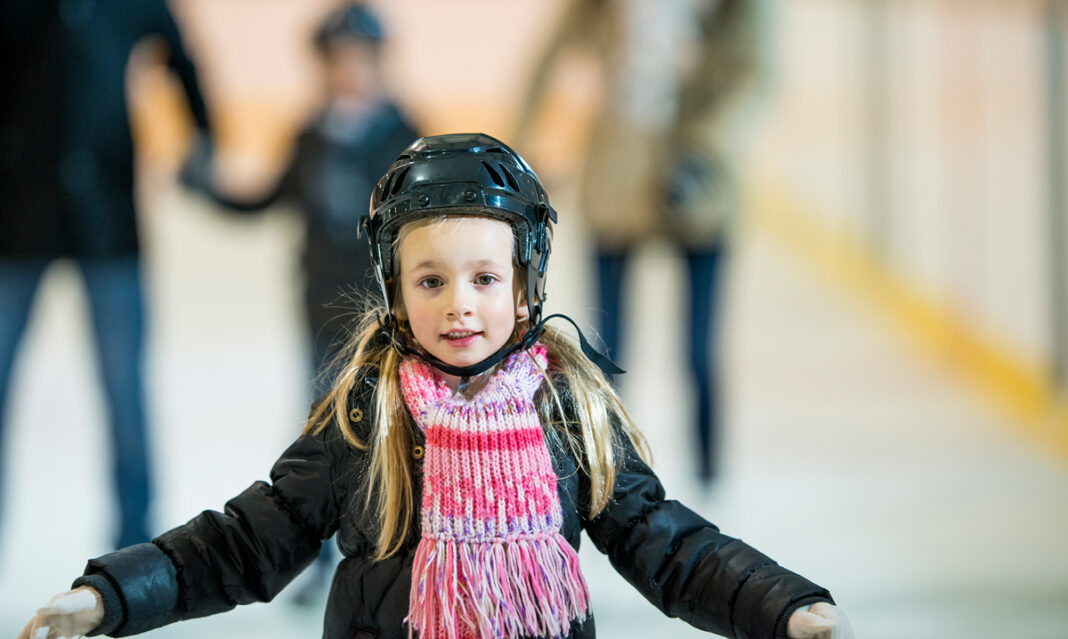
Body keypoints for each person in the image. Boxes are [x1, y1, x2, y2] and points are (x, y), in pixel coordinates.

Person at [19, 134, 852, 639]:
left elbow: (669, 544)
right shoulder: (367, 417)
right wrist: (112, 594)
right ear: (394, 289)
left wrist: (783, 607)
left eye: (485, 278)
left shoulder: (567, 414)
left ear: (526, 286)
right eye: (430, 281)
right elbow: (248, 539)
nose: (460, 304)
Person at [181, 2, 418, 605]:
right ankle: (319, 558)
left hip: (390, 314)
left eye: (360, 61)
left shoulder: (404, 134)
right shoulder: (310, 135)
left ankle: (410, 551)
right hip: (321, 309)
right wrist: (208, 186)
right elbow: (264, 200)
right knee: (327, 433)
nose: (350, 73)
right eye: (339, 61)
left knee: (400, 429)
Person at [516, 0, 762, 483]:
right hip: (616, 181)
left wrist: (704, 147)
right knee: (607, 352)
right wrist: (522, 146)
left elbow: (754, 76)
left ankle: (709, 474)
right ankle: (606, 465)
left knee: (698, 354)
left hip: (698, 185)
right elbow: (551, 55)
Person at [0, 0, 213, 549]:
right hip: (19, 216)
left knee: (124, 387)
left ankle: (134, 542)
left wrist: (202, 139)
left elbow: (179, 53)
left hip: (107, 217)